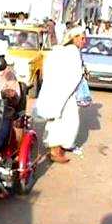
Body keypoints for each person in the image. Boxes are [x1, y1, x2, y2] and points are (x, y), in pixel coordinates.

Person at [34, 27, 85, 163]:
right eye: (82, 38)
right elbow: (74, 74)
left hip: (61, 91)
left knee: (65, 121)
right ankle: (55, 152)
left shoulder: (59, 51)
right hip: (64, 93)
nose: (84, 41)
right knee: (64, 121)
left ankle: (57, 149)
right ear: (74, 38)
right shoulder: (71, 52)